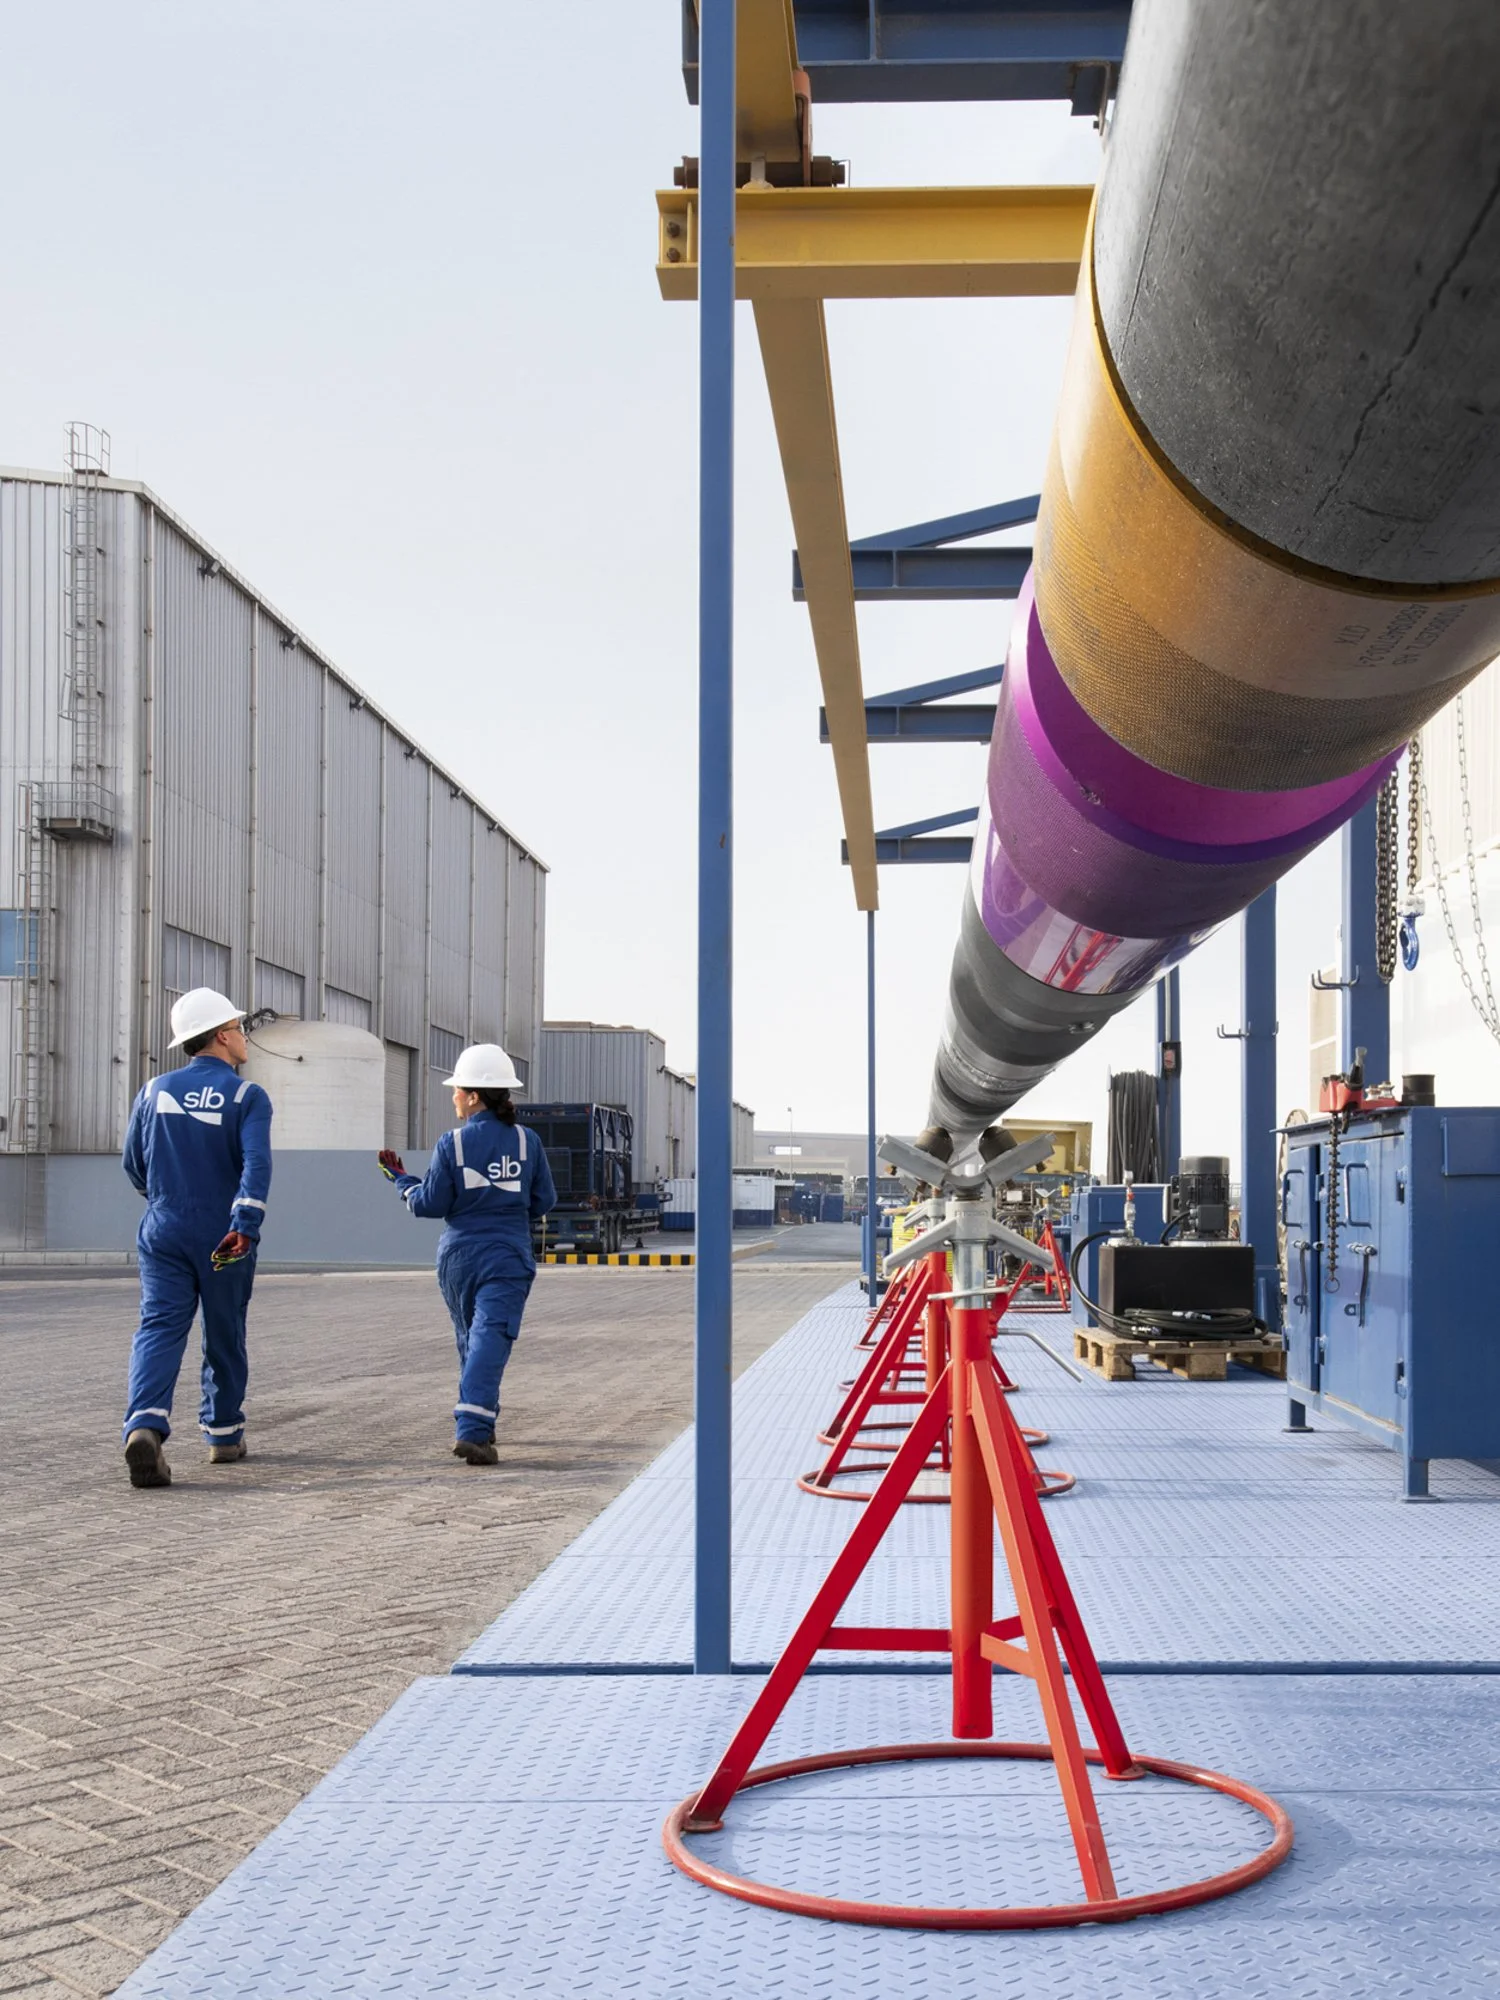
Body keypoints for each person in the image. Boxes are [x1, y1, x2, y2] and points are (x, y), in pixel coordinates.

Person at [120, 988, 273, 1489]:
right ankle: (224, 1434)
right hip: (222, 1233)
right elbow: (257, 1163)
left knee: (159, 1327)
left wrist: (166, 1198)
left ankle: (144, 1425)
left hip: (163, 1226)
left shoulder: (153, 1090)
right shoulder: (247, 1096)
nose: (245, 1037)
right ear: (224, 1036)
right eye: (240, 1028)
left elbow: (134, 1166)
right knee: (224, 1328)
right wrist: (243, 1225)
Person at [377, 1043, 555, 1466]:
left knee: (471, 1339)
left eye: (457, 1089)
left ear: (474, 1096)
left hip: (458, 1259)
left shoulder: (451, 1144)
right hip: (507, 1256)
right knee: (489, 1337)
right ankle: (474, 1428)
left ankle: (481, 1422)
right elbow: (544, 1199)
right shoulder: (527, 1142)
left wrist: (401, 1181)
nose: (453, 1095)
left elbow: (429, 1205)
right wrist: (507, 1213)